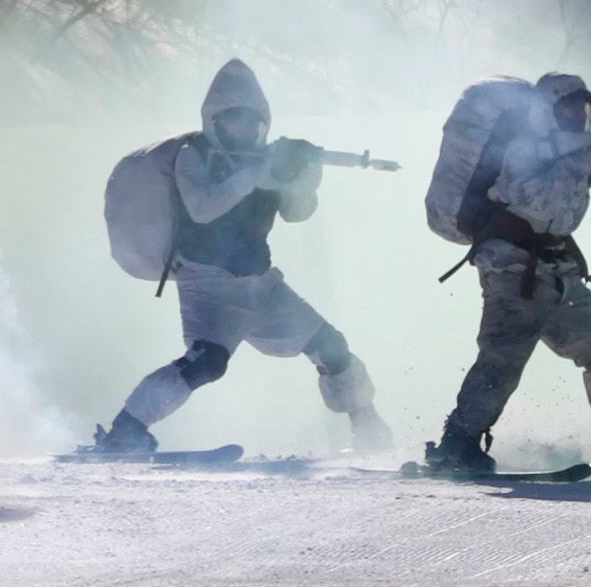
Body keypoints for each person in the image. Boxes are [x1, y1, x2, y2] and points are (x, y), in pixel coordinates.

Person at [92, 60, 391, 456]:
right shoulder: (193, 156)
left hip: (262, 282)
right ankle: (125, 431)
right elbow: (202, 208)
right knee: (207, 362)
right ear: (215, 121)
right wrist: (253, 176)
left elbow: (297, 213)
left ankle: (367, 426)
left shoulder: (266, 158)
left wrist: (302, 182)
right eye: (233, 121)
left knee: (331, 346)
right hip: (208, 281)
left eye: (252, 123)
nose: (244, 130)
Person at [424, 73, 591, 481]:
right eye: (568, 106)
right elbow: (537, 200)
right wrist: (590, 157)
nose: (578, 114)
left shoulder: (574, 150)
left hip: (556, 269)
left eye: (583, 105)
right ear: (547, 109)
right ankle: (457, 446)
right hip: (512, 266)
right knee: (503, 357)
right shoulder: (523, 148)